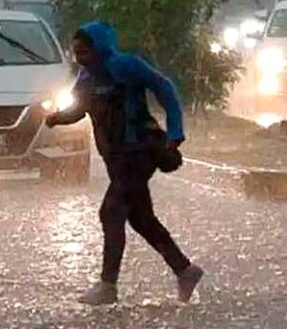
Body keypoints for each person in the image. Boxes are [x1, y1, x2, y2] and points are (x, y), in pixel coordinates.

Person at [45, 21, 204, 305]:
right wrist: (57, 118)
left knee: (111, 212)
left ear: (100, 47)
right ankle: (184, 270)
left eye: (85, 51)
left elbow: (164, 87)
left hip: (140, 150)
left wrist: (175, 130)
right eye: (77, 53)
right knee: (141, 219)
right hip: (116, 157)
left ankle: (108, 285)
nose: (81, 58)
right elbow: (79, 109)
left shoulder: (125, 65)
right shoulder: (86, 77)